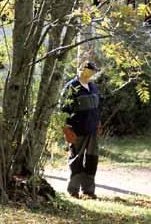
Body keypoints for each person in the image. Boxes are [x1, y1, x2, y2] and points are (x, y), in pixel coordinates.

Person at [60, 61, 102, 199]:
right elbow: (63, 111)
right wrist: (66, 129)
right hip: (76, 131)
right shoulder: (71, 87)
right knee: (75, 160)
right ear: (81, 70)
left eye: (92, 72)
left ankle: (88, 191)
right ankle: (73, 191)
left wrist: (98, 124)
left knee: (91, 161)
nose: (91, 74)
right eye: (89, 71)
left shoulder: (93, 86)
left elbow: (96, 108)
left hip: (92, 132)